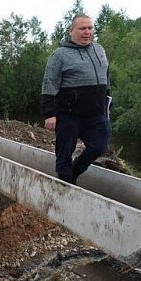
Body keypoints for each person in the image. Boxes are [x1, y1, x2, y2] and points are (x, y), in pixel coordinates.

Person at [40, 15, 111, 184]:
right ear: (71, 30)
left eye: (90, 28)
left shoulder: (99, 49)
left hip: (96, 114)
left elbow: (106, 77)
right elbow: (49, 84)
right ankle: (64, 184)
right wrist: (49, 114)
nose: (87, 32)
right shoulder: (59, 55)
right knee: (64, 153)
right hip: (68, 114)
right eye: (82, 28)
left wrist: (108, 99)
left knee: (100, 146)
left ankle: (74, 173)